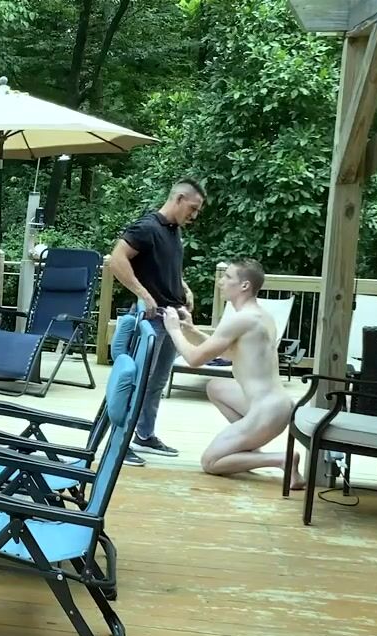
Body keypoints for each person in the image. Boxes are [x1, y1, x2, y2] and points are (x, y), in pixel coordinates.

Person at [160, 259, 304, 490]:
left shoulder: (241, 319)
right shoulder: (260, 316)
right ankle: (248, 447)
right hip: (275, 404)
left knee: (210, 462)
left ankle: (281, 460)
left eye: (227, 277)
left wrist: (174, 330)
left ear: (244, 285)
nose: (221, 282)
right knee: (216, 387)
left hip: (267, 411)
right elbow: (228, 354)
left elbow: (194, 359)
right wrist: (191, 330)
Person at [109, 178, 204, 464]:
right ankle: (119, 441)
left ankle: (144, 434)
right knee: (137, 381)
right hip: (150, 321)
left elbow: (165, 266)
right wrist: (142, 293)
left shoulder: (173, 231)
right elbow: (116, 259)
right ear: (179, 199)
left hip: (172, 319)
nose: (194, 215)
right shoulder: (147, 227)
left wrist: (184, 287)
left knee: (157, 382)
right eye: (193, 208)